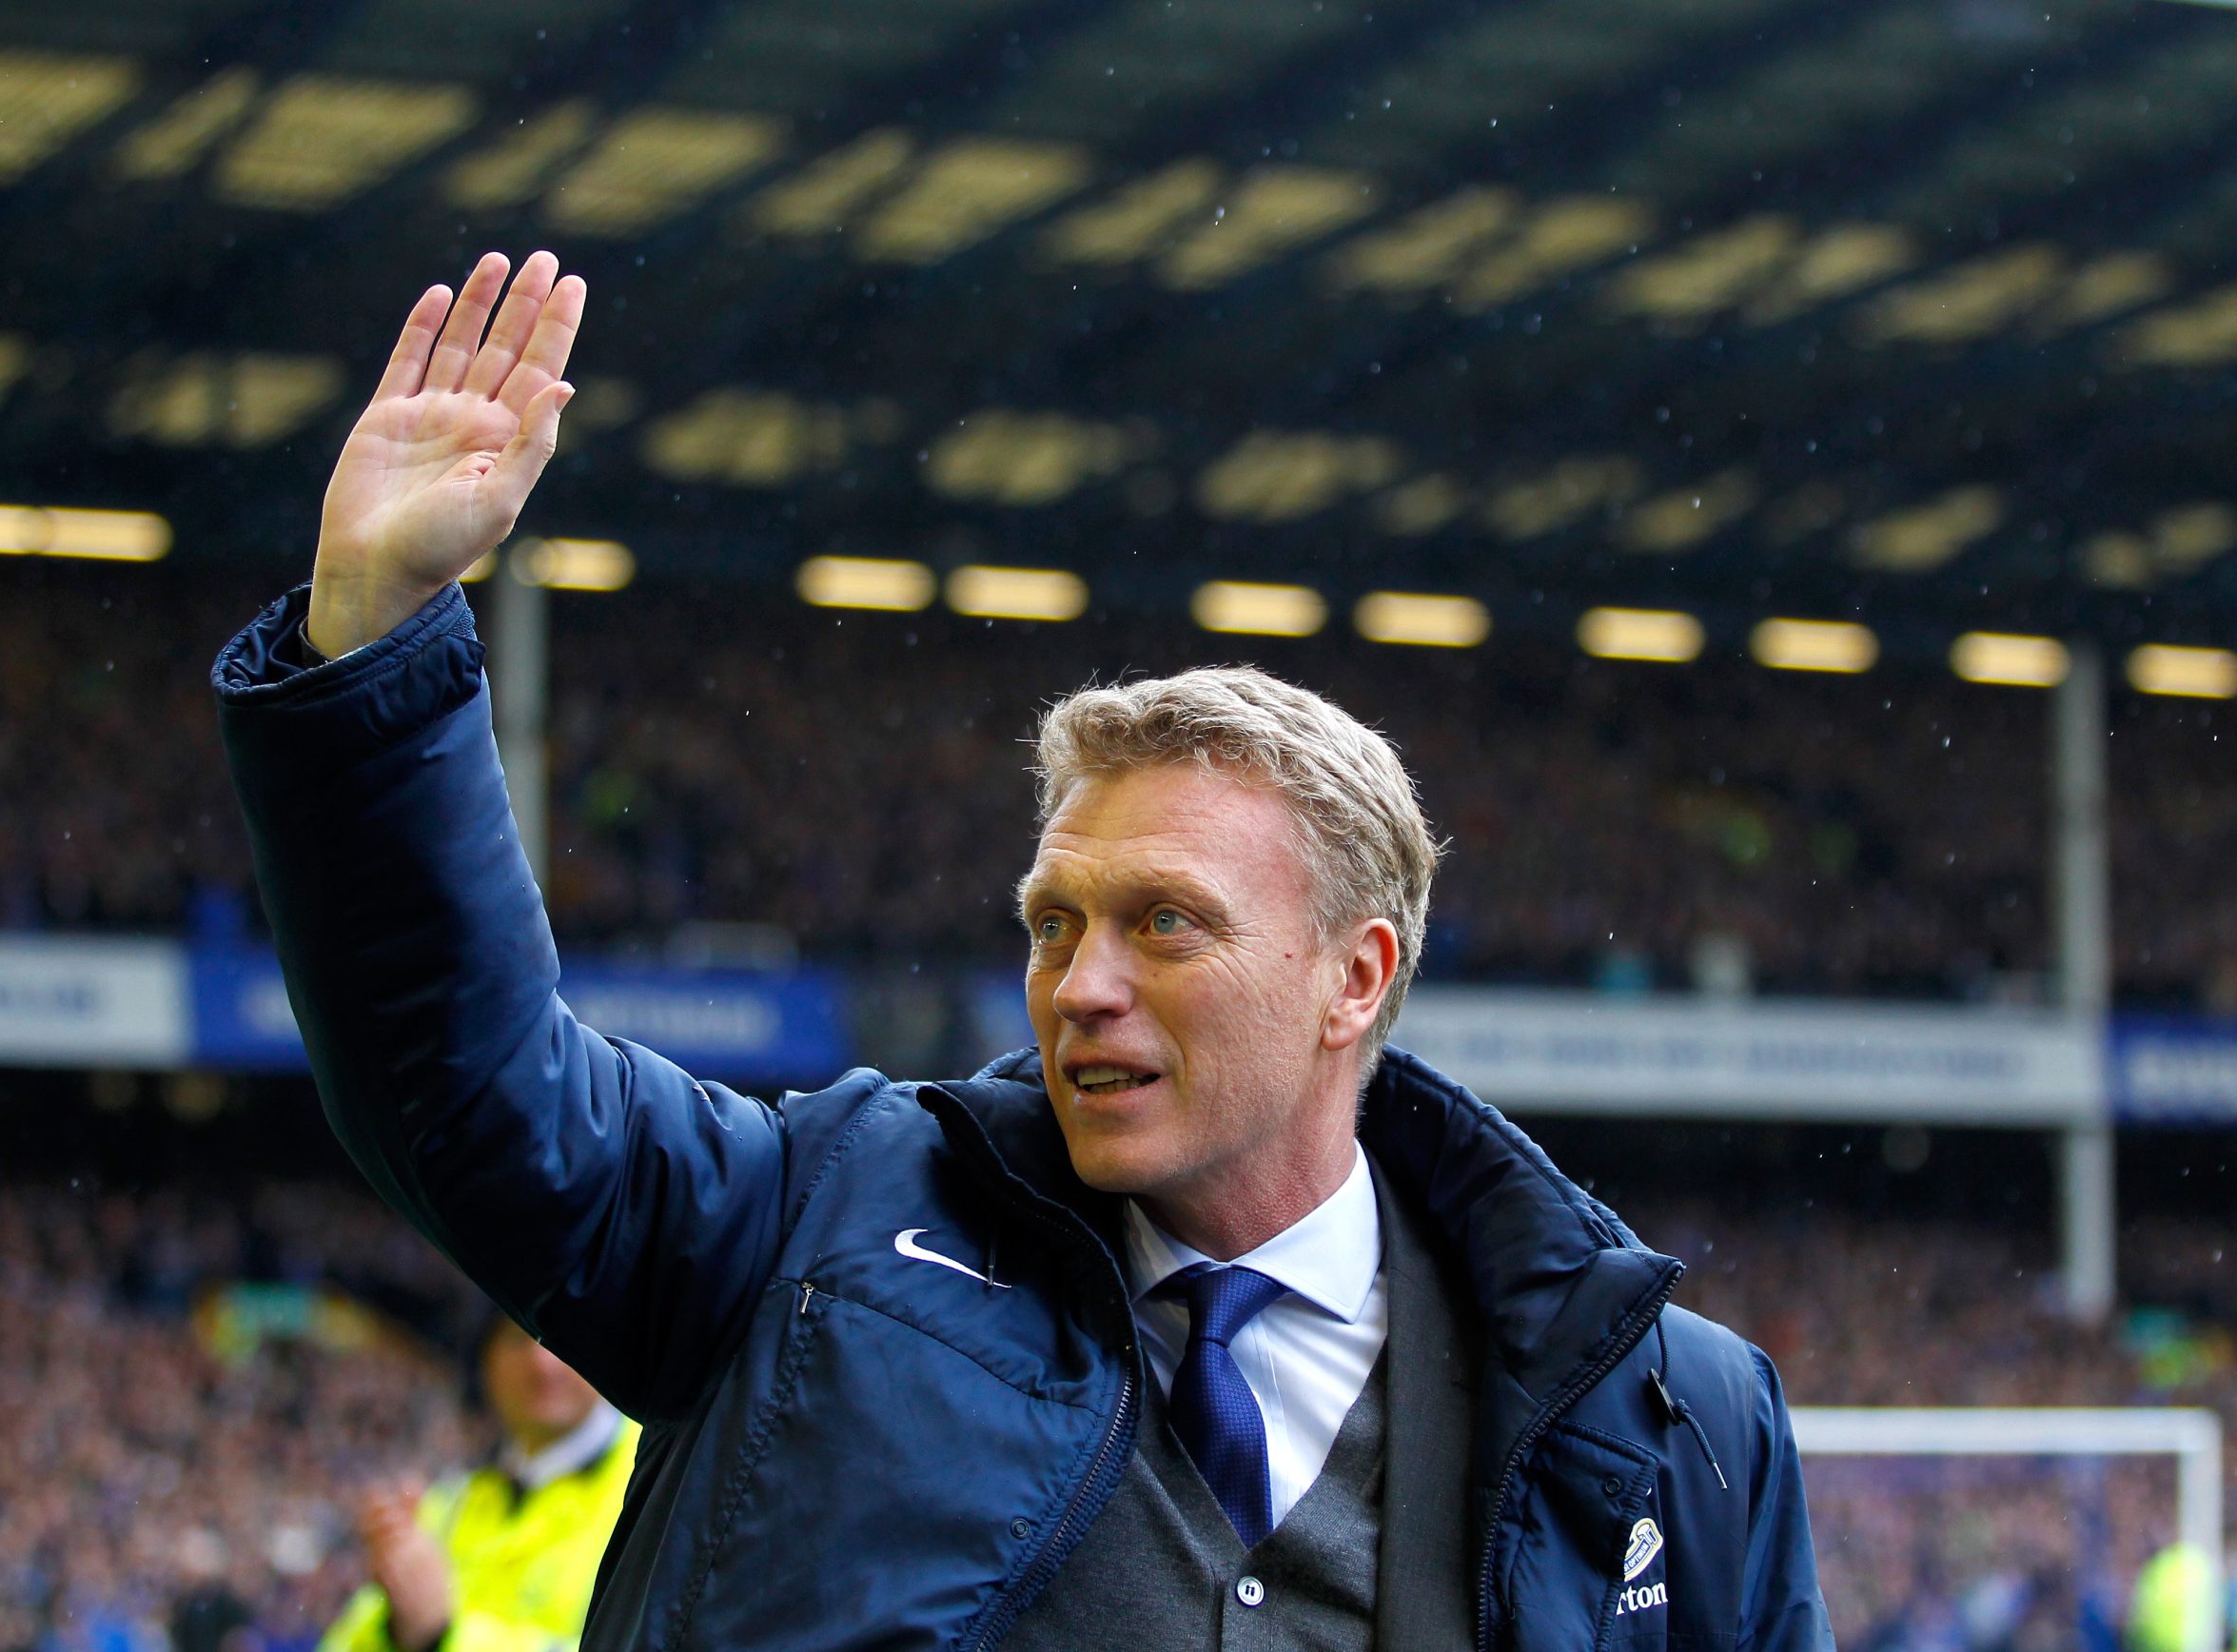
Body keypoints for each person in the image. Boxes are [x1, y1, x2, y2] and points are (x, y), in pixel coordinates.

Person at [215, 248, 1830, 1650]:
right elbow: (468, 1083)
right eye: (1054, 921)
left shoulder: (1674, 1419)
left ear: (1357, 975)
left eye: (1166, 923)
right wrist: (374, 630)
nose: (1083, 983)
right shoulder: (815, 1228)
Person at [320, 1318, 638, 1652]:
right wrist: (396, 1625)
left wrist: (445, 1636)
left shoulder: (655, 1489)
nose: (542, 1362)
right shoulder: (448, 1507)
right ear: (487, 1363)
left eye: (563, 1339)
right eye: (518, 1338)